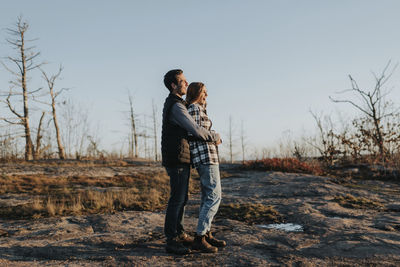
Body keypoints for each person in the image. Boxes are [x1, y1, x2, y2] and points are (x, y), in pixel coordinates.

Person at [161, 69, 221, 255]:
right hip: (176, 157)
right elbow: (194, 129)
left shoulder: (178, 104)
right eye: (183, 81)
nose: (186, 84)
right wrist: (214, 136)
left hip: (182, 157)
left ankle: (179, 234)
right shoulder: (177, 106)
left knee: (182, 198)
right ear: (173, 85)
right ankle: (172, 239)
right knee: (177, 199)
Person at [186, 82, 227, 253]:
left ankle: (206, 234)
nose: (206, 95)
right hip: (206, 157)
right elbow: (195, 132)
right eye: (204, 92)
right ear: (196, 93)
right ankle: (200, 236)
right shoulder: (194, 108)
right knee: (214, 196)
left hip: (208, 156)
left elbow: (201, 131)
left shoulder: (198, 109)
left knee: (206, 197)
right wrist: (215, 136)